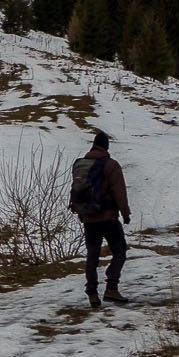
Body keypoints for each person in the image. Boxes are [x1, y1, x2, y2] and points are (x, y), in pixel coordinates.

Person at [76, 130, 130, 306]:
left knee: (92, 256)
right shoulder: (111, 165)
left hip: (89, 218)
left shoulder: (82, 164)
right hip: (107, 217)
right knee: (119, 252)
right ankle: (111, 288)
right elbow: (119, 191)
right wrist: (125, 212)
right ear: (106, 146)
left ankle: (92, 292)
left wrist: (82, 214)